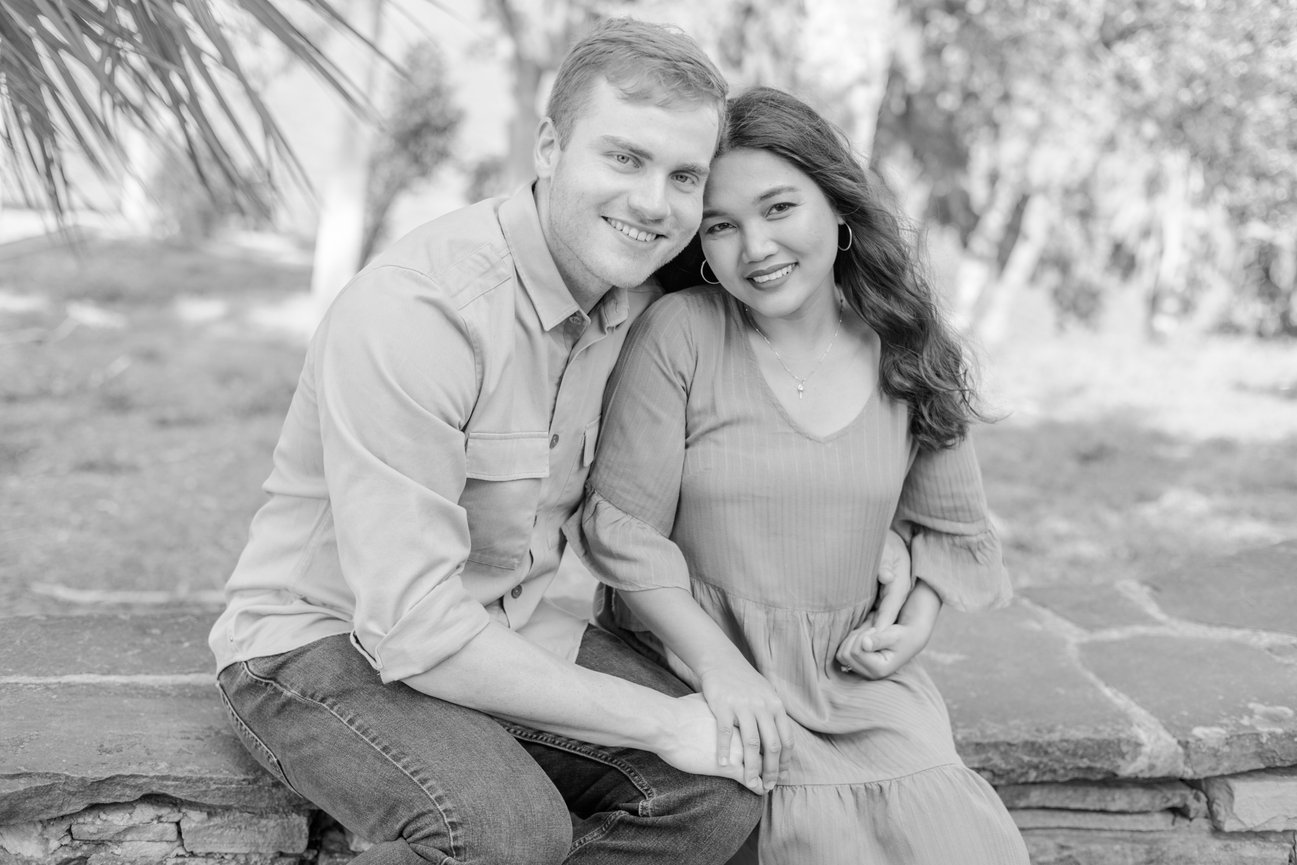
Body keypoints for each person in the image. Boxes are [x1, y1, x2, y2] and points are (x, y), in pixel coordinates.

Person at [208, 20, 769, 865]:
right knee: (505, 831)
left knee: (721, 790)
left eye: (682, 175)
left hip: (509, 623)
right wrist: (667, 718)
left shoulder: (639, 303)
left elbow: (808, 344)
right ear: (548, 145)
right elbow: (414, 627)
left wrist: (901, 538)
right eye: (623, 157)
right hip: (324, 644)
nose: (654, 203)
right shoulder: (421, 312)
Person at [577, 87, 1031, 864]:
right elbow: (623, 534)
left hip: (855, 689)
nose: (754, 247)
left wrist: (908, 629)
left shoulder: (907, 348)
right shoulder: (681, 333)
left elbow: (948, 530)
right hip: (696, 664)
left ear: (837, 204)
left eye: (778, 208)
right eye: (721, 226)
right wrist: (719, 668)